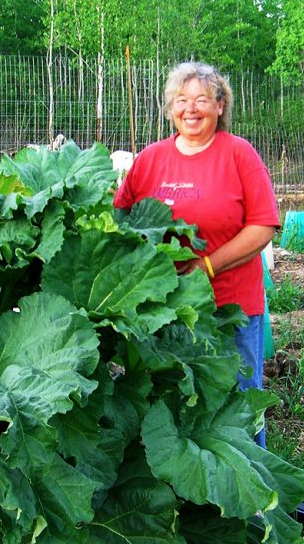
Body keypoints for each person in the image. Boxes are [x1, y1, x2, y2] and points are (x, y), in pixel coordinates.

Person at [113, 61, 279, 446]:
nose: (191, 109)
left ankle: (251, 496)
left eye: (202, 99)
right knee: (169, 405)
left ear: (220, 106)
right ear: (170, 108)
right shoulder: (150, 159)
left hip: (229, 307)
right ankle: (188, 498)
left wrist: (206, 267)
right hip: (163, 306)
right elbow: (121, 220)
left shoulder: (239, 154)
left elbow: (263, 226)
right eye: (181, 100)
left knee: (238, 402)